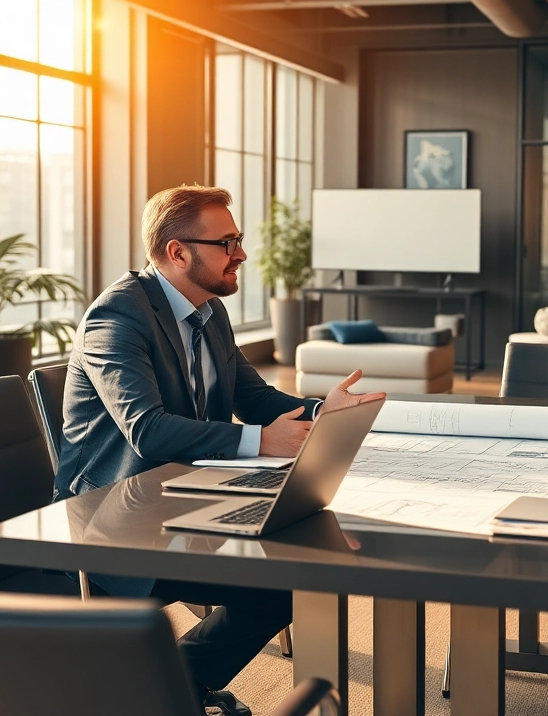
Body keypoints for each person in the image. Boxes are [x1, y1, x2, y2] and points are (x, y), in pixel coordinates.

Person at [57, 184, 385, 716]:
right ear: (177, 252)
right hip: (117, 522)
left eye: (238, 238)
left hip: (190, 499)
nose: (242, 253)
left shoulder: (208, 311)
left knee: (297, 567)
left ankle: (172, 686)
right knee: (284, 580)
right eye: (227, 241)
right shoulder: (116, 318)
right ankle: (163, 690)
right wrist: (261, 441)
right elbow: (149, 430)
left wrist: (325, 413)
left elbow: (250, 396)